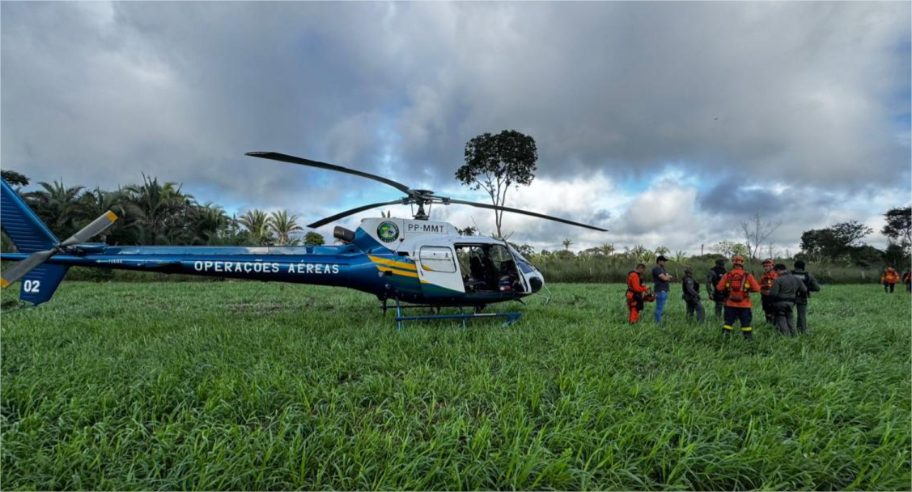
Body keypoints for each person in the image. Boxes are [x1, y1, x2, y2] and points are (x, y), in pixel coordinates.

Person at [715, 255, 761, 339]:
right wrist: (747, 290)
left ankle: (724, 339)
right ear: (742, 264)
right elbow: (757, 289)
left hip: (730, 304)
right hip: (745, 305)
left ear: (733, 263)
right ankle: (748, 340)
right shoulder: (748, 275)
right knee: (746, 324)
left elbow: (719, 288)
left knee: (728, 323)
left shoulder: (727, 275)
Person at [768, 263, 806, 336]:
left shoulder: (778, 280)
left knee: (781, 319)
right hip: (791, 303)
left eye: (776, 272)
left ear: (778, 270)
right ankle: (794, 336)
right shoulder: (796, 279)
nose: (776, 274)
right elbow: (804, 290)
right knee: (790, 319)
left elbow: (773, 294)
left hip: (779, 303)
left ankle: (786, 337)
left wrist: (771, 302)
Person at [791, 260, 821, 334]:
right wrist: (807, 288)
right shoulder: (808, 275)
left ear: (795, 266)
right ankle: (802, 331)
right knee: (801, 315)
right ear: (803, 267)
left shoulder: (790, 274)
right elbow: (817, 288)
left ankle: (790, 330)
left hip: (790, 297)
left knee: (789, 314)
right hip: (802, 297)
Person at [652, 255, 673, 325]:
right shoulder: (656, 269)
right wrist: (667, 277)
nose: (664, 262)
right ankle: (658, 323)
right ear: (659, 261)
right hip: (660, 291)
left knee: (661, 308)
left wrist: (667, 277)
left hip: (664, 290)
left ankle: (658, 322)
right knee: (659, 308)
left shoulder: (663, 269)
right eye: (663, 261)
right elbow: (665, 278)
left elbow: (668, 277)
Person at [758, 258, 778, 325]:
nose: (765, 267)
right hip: (765, 297)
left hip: (773, 297)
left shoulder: (776, 274)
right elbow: (759, 284)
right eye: (764, 266)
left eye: (767, 266)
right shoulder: (764, 275)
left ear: (772, 266)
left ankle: (775, 325)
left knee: (774, 312)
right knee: (767, 312)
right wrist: (762, 288)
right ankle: (769, 324)